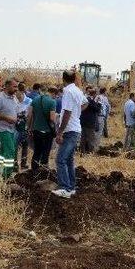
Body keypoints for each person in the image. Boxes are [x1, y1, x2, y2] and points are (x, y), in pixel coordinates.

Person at [53, 70, 86, 198]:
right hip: (76, 128)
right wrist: (77, 113)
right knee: (69, 160)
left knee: (60, 159)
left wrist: (60, 132)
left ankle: (65, 188)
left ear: (63, 79)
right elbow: (85, 103)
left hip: (70, 130)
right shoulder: (77, 90)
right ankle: (71, 187)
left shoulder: (67, 91)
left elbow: (66, 112)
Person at [27, 85, 57, 180]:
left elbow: (29, 115)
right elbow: (52, 118)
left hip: (36, 130)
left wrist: (29, 128)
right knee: (45, 152)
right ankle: (43, 175)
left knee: (37, 152)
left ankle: (34, 172)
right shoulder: (52, 102)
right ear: (54, 93)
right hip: (47, 132)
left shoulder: (35, 99)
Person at [15, 83, 32, 170]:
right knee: (15, 145)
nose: (15, 93)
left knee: (25, 145)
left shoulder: (29, 101)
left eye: (16, 91)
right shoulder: (14, 100)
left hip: (25, 126)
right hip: (15, 127)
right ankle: (14, 165)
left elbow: (29, 115)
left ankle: (23, 163)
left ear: (21, 91)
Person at [80, 86, 102, 153]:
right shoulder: (90, 101)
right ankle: (90, 153)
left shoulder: (84, 100)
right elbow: (98, 110)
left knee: (83, 138)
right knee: (91, 138)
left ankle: (82, 152)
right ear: (94, 94)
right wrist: (99, 102)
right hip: (89, 123)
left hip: (83, 122)